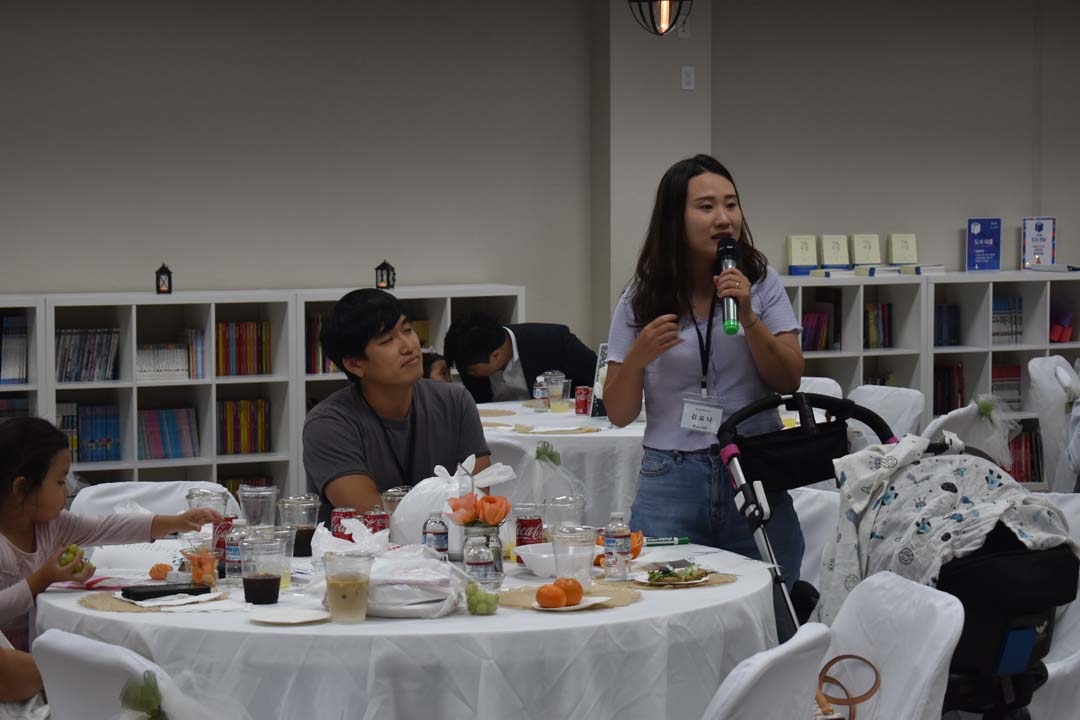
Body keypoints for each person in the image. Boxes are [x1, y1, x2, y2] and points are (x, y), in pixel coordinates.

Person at [603, 154, 805, 586]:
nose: (723, 219)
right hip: (671, 476)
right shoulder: (642, 295)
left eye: (731, 204)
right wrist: (637, 357)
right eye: (706, 207)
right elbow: (618, 413)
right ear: (674, 219)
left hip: (753, 467)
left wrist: (749, 318)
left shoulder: (759, 282)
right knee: (666, 605)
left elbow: (789, 378)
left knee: (772, 604)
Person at [0, 416, 222, 652]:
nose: (67, 491)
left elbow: (108, 526)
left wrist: (176, 522)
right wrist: (43, 578)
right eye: (60, 482)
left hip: (35, 645)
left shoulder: (51, 524)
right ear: (21, 488)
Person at [304, 289, 491, 522]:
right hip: (367, 545)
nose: (409, 346)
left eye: (407, 330)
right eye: (387, 340)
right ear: (355, 365)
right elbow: (373, 517)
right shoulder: (328, 424)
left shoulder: (455, 401)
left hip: (447, 542)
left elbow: (477, 501)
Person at [443, 313, 597, 404]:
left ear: (496, 355)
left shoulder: (554, 341)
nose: (468, 374)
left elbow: (597, 376)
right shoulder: (469, 354)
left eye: (471, 370)